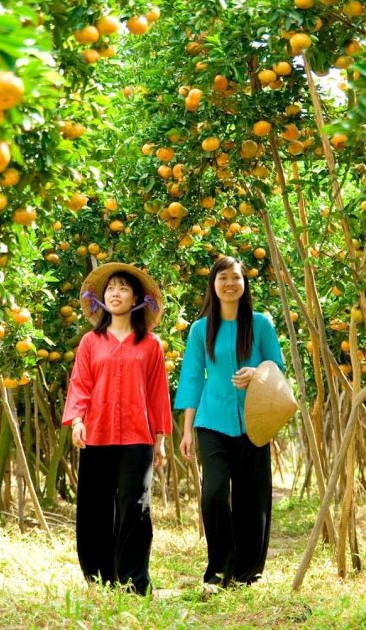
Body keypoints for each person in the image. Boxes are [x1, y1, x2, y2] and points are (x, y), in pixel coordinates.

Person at [175, 255, 284, 589]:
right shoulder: (200, 329)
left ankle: (247, 572)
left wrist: (257, 373)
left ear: (244, 283)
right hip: (212, 420)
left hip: (255, 419)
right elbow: (193, 377)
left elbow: (277, 365)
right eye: (223, 278)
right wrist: (187, 428)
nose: (230, 284)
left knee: (253, 497)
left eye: (236, 277)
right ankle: (218, 568)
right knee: (215, 493)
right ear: (213, 284)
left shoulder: (261, 323)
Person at [62, 262, 171, 595]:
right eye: (110, 288)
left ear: (136, 298)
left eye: (123, 288)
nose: (116, 293)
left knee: (135, 506)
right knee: (95, 506)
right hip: (97, 433)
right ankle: (99, 577)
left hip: (138, 436)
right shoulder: (90, 342)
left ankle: (134, 581)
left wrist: (161, 439)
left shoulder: (150, 344)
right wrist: (77, 419)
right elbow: (80, 383)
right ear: (102, 298)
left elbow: (157, 391)